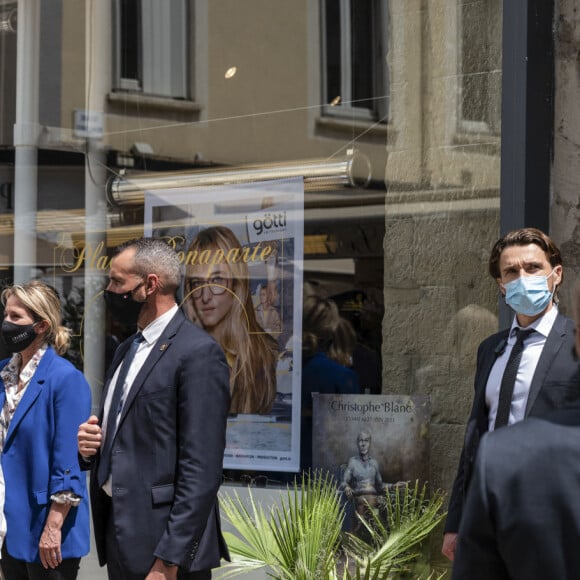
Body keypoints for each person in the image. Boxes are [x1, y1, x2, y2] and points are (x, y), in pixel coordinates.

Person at [77, 238, 231, 579]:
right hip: (119, 535)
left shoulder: (197, 354)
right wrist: (91, 447)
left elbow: (201, 469)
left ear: (150, 285)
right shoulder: (126, 349)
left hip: (163, 550)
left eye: (118, 282)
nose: (109, 290)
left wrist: (169, 560)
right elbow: (130, 436)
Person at [442, 227, 580, 561]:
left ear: (556, 274)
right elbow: (475, 436)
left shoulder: (573, 343)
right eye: (511, 272)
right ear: (502, 286)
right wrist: (456, 520)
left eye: (533, 268)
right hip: (485, 513)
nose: (523, 277)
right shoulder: (491, 349)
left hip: (550, 517)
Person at [0, 280, 91, 579]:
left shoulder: (65, 379)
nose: (6, 323)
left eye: (16, 317)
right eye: (6, 314)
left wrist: (53, 526)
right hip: (9, 526)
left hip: (47, 532)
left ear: (41, 326)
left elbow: (68, 463)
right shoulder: (4, 375)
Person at [183, 225, 278, 415]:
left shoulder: (265, 354)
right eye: (197, 283)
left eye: (217, 281)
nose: (205, 295)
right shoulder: (179, 354)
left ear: (236, 283)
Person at [300, 290, 360, 471]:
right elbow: (353, 433)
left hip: (277, 474)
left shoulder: (278, 368)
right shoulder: (341, 376)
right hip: (324, 474)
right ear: (332, 328)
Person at [340, 430, 385, 532]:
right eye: (361, 441)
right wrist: (347, 487)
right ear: (357, 443)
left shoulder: (374, 463)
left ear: (370, 444)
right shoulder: (353, 462)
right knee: (359, 527)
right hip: (359, 500)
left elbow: (380, 487)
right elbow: (344, 482)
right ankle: (356, 536)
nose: (363, 444)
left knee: (377, 525)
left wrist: (394, 486)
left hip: (374, 501)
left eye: (366, 441)